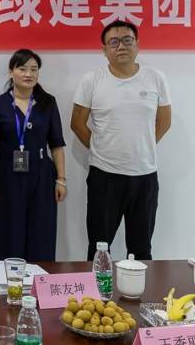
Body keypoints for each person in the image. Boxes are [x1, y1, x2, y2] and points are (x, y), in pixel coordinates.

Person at [70, 19, 172, 260]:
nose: (121, 46)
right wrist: (102, 147)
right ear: (104, 49)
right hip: (104, 175)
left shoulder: (155, 78)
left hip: (145, 175)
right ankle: (96, 287)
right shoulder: (92, 80)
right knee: (99, 246)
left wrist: (142, 145)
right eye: (114, 42)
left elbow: (164, 121)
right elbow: (77, 123)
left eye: (127, 40)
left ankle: (139, 286)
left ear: (137, 44)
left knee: (141, 248)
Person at [0, 49, 66, 261]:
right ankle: (7, 278)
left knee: (41, 232)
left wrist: (61, 179)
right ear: (10, 72)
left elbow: (56, 145)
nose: (28, 74)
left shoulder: (47, 102)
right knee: (7, 230)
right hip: (6, 176)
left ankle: (39, 278)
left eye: (34, 69)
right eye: (22, 69)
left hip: (41, 175)